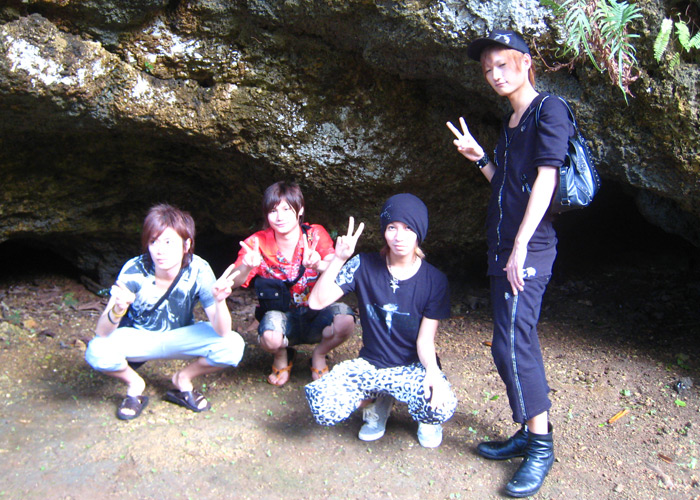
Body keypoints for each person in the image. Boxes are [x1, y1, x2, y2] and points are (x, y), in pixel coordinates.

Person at [446, 29, 574, 497]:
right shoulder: (513, 120)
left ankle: (541, 447)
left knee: (515, 342)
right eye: (487, 70)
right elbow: (507, 185)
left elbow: (547, 179)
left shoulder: (549, 109)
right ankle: (528, 430)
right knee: (508, 342)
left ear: (525, 62)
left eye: (502, 64)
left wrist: (521, 244)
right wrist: (480, 157)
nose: (495, 75)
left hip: (530, 247)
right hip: (503, 247)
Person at [304, 194, 457, 448]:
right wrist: (339, 258)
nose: (399, 236)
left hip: (411, 367)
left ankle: (423, 417)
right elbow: (316, 302)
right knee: (323, 404)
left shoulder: (434, 280)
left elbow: (425, 340)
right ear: (384, 231)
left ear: (419, 232)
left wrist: (432, 371)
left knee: (441, 406)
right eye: (392, 227)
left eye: (408, 228)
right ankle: (379, 401)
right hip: (371, 365)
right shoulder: (363, 264)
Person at [85, 204, 245, 420]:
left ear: (186, 244)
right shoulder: (134, 269)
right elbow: (102, 332)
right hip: (140, 337)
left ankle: (183, 379)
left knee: (233, 345)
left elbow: (223, 332)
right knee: (96, 350)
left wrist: (219, 301)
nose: (160, 250)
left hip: (181, 336)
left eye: (169, 242)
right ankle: (135, 385)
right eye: (153, 242)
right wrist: (118, 309)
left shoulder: (199, 269)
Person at [228, 181, 356, 386]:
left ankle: (319, 354)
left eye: (287, 209)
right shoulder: (257, 243)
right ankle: (282, 355)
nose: (280, 217)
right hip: (281, 316)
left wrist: (318, 264)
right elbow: (232, 282)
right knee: (270, 338)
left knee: (345, 320)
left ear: (300, 209)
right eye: (273, 210)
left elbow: (335, 268)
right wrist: (246, 266)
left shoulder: (315, 235)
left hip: (316, 313)